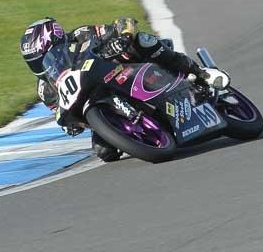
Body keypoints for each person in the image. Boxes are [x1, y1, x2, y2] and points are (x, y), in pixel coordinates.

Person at [20, 16, 230, 162]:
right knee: (105, 153)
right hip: (96, 102)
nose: (39, 65)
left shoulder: (81, 34)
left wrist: (123, 37)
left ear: (57, 39)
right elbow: (59, 110)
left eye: (40, 57)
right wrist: (71, 124)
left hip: (123, 70)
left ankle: (200, 72)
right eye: (34, 61)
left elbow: (124, 23)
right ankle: (147, 131)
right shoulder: (44, 88)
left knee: (142, 41)